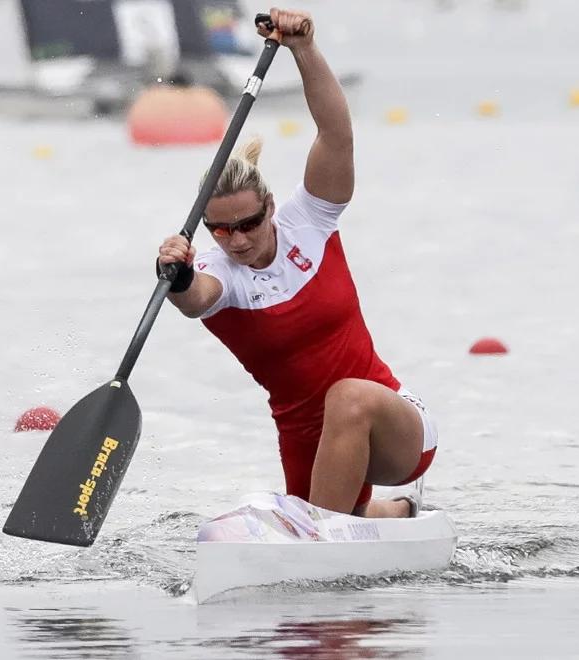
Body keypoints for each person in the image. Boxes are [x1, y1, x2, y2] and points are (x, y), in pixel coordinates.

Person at [156, 7, 437, 518]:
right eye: (221, 229)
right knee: (295, 519)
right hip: (307, 440)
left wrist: (303, 50)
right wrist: (174, 276)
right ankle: (398, 517)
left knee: (348, 396)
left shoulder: (308, 219)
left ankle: (323, 538)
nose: (236, 239)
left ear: (269, 208)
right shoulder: (222, 274)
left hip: (390, 426)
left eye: (248, 224)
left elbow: (336, 136)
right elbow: (196, 300)